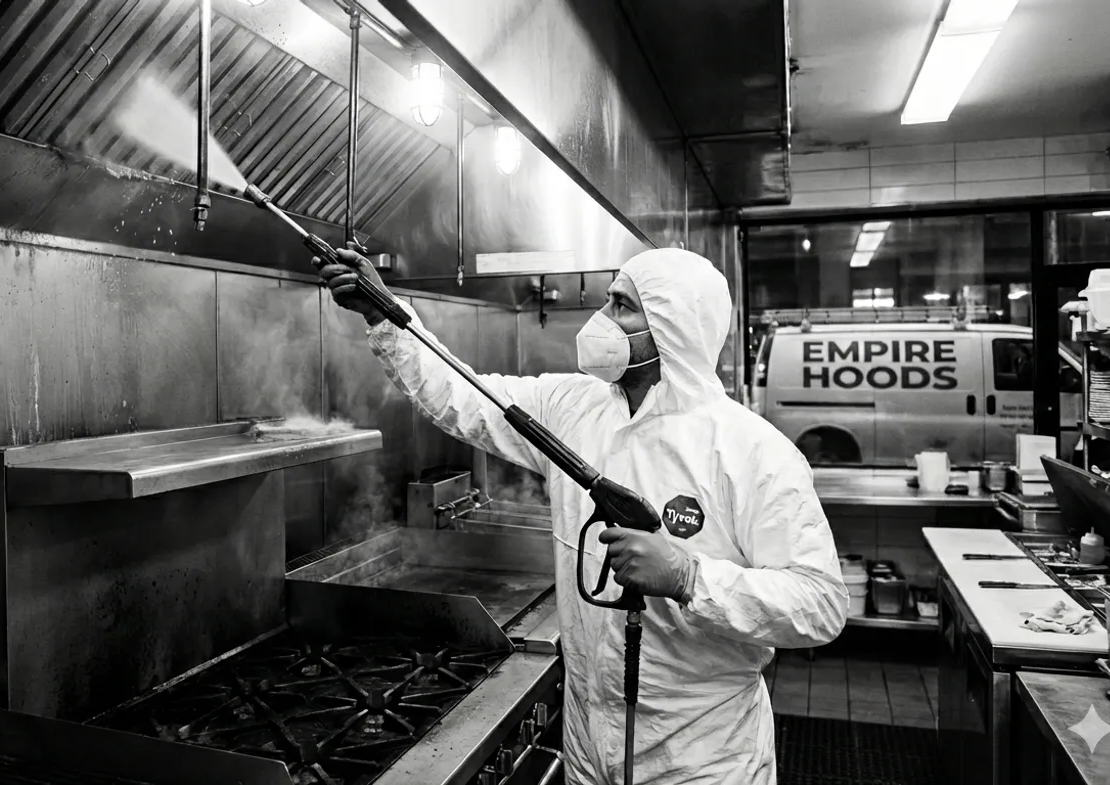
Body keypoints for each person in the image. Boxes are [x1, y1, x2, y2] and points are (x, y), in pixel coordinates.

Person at [317, 246, 848, 785]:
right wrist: (385, 316)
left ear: (673, 328)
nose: (602, 318)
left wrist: (690, 577)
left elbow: (820, 604)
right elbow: (463, 396)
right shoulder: (572, 407)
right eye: (608, 300)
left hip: (700, 758)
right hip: (589, 746)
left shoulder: (751, 451)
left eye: (622, 306)